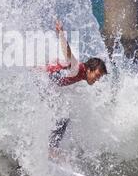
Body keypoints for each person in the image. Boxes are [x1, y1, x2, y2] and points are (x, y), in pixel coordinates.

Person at [46, 21, 108, 151]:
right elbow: (67, 54)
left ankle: (50, 148)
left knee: (61, 116)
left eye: (99, 77)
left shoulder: (79, 74)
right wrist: (61, 33)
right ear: (89, 70)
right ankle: (51, 150)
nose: (97, 80)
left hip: (44, 84)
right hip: (41, 82)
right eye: (97, 75)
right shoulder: (78, 69)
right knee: (62, 117)